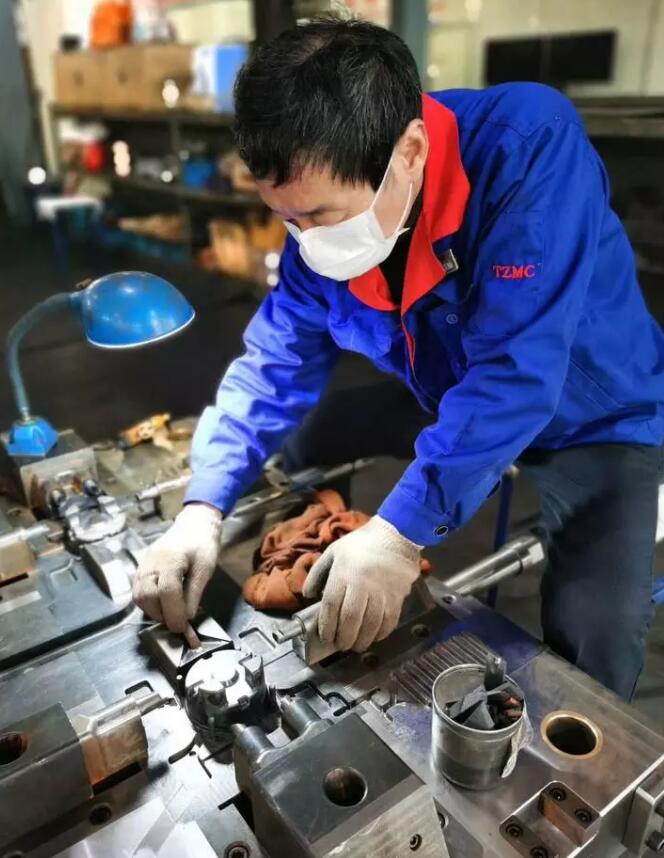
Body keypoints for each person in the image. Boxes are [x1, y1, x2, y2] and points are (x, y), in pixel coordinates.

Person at [133, 17, 664, 700]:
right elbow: (273, 363)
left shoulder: (528, 149)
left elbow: (515, 376)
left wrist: (398, 533)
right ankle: (310, 547)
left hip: (593, 418)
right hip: (448, 396)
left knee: (595, 635)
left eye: (321, 217)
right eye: (287, 219)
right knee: (306, 439)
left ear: (410, 152)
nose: (305, 240)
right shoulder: (320, 220)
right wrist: (202, 509)